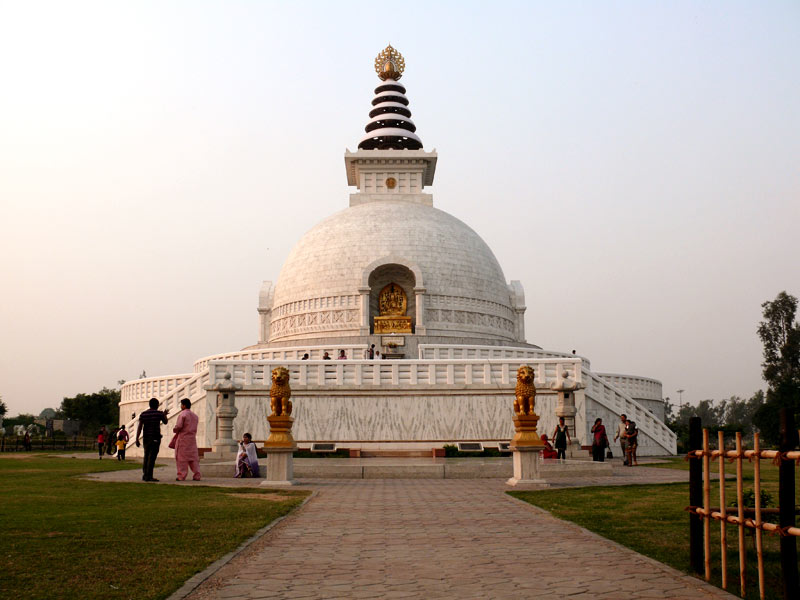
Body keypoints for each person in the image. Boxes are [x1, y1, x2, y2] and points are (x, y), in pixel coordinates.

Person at [135, 398, 168, 482]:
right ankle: (149, 476)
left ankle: (145, 474)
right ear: (157, 405)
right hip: (155, 437)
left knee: (146, 456)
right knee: (152, 457)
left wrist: (137, 438)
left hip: (146, 437)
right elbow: (165, 422)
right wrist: (164, 414)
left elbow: (140, 427)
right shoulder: (159, 413)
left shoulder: (143, 414)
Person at [172, 398, 201, 481]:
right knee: (193, 458)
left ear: (184, 405)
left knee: (181, 459)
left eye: (181, 405)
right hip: (192, 439)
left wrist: (175, 429)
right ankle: (197, 475)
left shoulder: (183, 415)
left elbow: (179, 426)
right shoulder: (195, 416)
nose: (181, 406)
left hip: (183, 439)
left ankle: (181, 476)